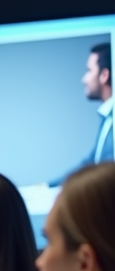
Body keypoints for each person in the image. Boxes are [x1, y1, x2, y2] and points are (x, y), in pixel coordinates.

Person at [49, 42, 112, 186]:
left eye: (89, 71)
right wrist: (47, 186)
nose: (84, 79)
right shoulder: (107, 118)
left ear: (104, 75)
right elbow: (90, 164)